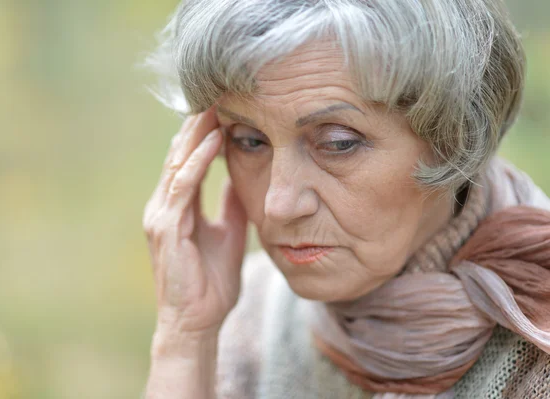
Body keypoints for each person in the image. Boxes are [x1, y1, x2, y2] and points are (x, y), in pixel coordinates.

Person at [142, 0, 550, 398]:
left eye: (338, 143)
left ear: (455, 138)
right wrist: (184, 341)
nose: (278, 205)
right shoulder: (248, 315)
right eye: (250, 141)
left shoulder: (537, 356)